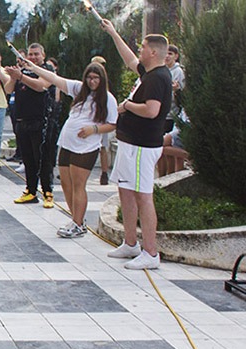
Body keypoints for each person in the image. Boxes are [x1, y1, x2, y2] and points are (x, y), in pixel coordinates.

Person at [101, 20, 173, 270]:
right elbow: (130, 60)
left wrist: (127, 106)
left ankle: (151, 252)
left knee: (144, 196)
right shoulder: (149, 73)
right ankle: (130, 242)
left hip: (143, 145)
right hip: (130, 143)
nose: (140, 51)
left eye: (143, 47)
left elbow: (152, 111)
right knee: (126, 192)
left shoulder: (158, 78)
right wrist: (113, 33)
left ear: (153, 52)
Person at [23, 60, 118, 237]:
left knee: (78, 184)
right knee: (66, 183)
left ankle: (78, 222)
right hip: (67, 143)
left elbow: (113, 124)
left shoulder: (108, 99)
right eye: (89, 78)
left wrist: (94, 129)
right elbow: (55, 78)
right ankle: (75, 218)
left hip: (86, 146)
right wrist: (33, 68)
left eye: (96, 78)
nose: (92, 82)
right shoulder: (79, 90)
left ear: (102, 79)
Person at [5, 43, 56, 208]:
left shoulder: (47, 70)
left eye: (36, 54)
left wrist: (20, 76)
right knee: (28, 159)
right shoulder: (23, 70)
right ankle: (31, 190)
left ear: (43, 55)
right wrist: (13, 76)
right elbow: (8, 89)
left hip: (41, 121)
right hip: (22, 120)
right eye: (30, 54)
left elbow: (40, 86)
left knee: (43, 158)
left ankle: (48, 192)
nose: (33, 57)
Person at [91, 55, 113, 185]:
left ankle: (104, 173)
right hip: (95, 118)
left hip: (101, 118)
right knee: (102, 147)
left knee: (103, 147)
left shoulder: (104, 83)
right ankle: (104, 173)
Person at [164, 44, 185, 133]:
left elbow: (181, 93)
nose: (167, 56)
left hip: (171, 114)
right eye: (165, 53)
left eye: (170, 53)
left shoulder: (178, 72)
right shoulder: (162, 70)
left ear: (176, 56)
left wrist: (175, 90)